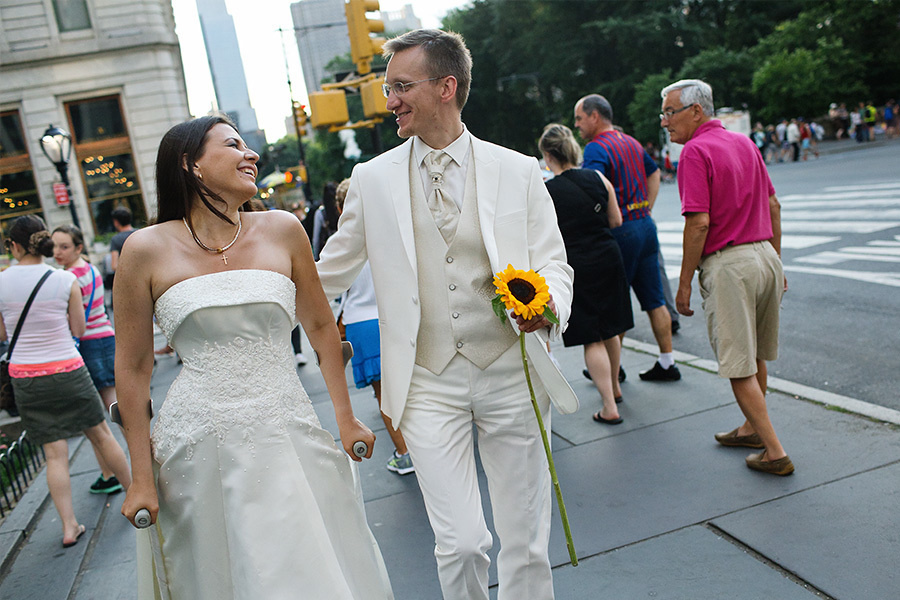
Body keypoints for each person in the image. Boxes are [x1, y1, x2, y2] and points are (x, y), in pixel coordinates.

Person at [316, 29, 576, 600]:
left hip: (513, 374)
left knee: (526, 542)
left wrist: (548, 306)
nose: (391, 101)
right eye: (389, 88)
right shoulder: (372, 179)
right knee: (459, 542)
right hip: (427, 382)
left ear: (446, 87)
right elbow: (326, 273)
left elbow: (553, 263)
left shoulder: (517, 170)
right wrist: (246, 298)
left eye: (401, 87)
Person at [115, 114, 393, 599]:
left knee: (307, 564)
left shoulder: (284, 230)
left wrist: (346, 419)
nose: (253, 155)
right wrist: (141, 477)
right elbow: (134, 367)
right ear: (191, 165)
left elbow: (322, 326)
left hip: (288, 425)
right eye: (234, 145)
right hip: (196, 444)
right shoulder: (144, 249)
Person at [660, 79, 793, 476]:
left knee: (738, 364)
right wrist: (777, 260)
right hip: (764, 255)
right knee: (755, 354)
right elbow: (774, 204)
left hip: (730, 265)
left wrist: (683, 283)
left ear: (696, 111)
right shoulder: (744, 143)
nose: (664, 122)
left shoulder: (696, 152)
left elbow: (698, 223)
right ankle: (753, 428)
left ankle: (774, 451)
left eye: (670, 112)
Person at [0, 215, 132, 547]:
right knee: (101, 435)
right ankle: (135, 494)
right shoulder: (63, 280)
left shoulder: (1, 282)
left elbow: (2, 334)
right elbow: (79, 329)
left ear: (13, 246)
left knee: (54, 454)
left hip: (26, 375)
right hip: (68, 368)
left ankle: (69, 525)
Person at [574, 93, 681, 382]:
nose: (577, 126)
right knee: (654, 300)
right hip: (645, 225)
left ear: (595, 116)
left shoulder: (596, 149)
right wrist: (645, 206)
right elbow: (654, 172)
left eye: (580, 119)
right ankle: (667, 362)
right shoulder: (630, 141)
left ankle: (613, 368)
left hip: (620, 232)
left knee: (614, 304)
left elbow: (595, 186)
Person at [539, 124, 632, 425]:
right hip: (609, 256)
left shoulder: (547, 191)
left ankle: (609, 407)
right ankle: (615, 389)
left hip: (578, 264)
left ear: (549, 156)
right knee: (611, 329)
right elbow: (615, 220)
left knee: (592, 337)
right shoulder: (598, 178)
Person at [333, 178, 414, 474]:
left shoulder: (340, 243)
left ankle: (405, 453)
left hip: (360, 323)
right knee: (413, 387)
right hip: (394, 315)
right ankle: (424, 446)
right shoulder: (391, 235)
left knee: (384, 395)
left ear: (340, 208)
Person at [51, 225, 125, 495]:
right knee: (111, 405)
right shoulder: (89, 269)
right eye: (55, 246)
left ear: (78, 247)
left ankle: (118, 468)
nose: (57, 252)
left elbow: (75, 319)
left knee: (103, 411)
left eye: (64, 246)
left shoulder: (69, 277)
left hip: (90, 342)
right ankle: (112, 469)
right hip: (105, 335)